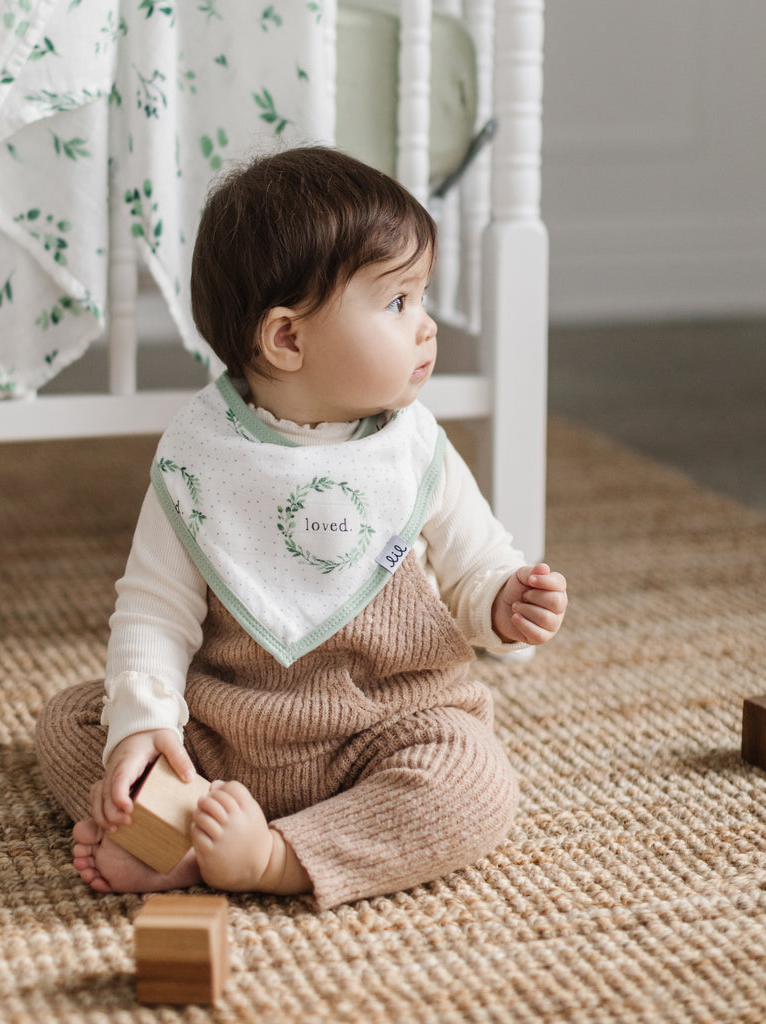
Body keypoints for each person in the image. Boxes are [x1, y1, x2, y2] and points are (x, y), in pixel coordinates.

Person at [35, 146, 568, 909]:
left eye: (420, 299)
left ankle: (273, 856)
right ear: (286, 339)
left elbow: (475, 564)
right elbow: (153, 610)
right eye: (398, 303)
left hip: (386, 728)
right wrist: (143, 729)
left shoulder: (412, 449)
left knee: (473, 783)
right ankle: (181, 824)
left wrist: (505, 602)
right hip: (224, 737)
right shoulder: (203, 460)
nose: (426, 328)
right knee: (80, 719)